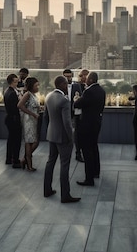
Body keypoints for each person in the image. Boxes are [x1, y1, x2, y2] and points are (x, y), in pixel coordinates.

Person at [43, 75, 81, 203]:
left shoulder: (48, 96)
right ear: (61, 85)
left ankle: (47, 189)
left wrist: (49, 130)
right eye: (66, 84)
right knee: (64, 166)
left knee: (50, 162)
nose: (67, 86)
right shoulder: (64, 101)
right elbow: (67, 123)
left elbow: (46, 117)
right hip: (63, 138)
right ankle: (65, 195)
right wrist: (71, 138)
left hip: (51, 134)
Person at [74, 71, 106, 186]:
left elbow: (78, 104)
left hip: (87, 125)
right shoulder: (102, 91)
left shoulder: (88, 92)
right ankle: (96, 172)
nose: (85, 80)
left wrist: (76, 99)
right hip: (97, 123)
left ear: (91, 80)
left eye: (87, 78)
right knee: (94, 147)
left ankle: (89, 178)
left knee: (87, 151)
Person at [17, 77, 41, 171]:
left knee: (33, 141)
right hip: (29, 120)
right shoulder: (27, 94)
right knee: (30, 141)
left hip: (33, 119)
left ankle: (25, 160)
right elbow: (19, 105)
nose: (38, 87)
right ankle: (28, 163)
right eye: (36, 85)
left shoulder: (33, 95)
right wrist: (32, 113)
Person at [3, 73, 22, 168]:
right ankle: (15, 160)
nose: (17, 83)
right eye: (15, 81)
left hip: (9, 119)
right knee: (16, 141)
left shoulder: (8, 91)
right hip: (14, 119)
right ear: (11, 82)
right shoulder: (13, 93)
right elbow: (15, 108)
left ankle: (9, 158)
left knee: (11, 140)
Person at [72, 69, 89, 162]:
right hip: (78, 114)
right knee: (78, 133)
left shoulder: (89, 87)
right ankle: (78, 153)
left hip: (86, 114)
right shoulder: (76, 86)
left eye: (85, 75)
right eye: (81, 75)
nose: (83, 77)